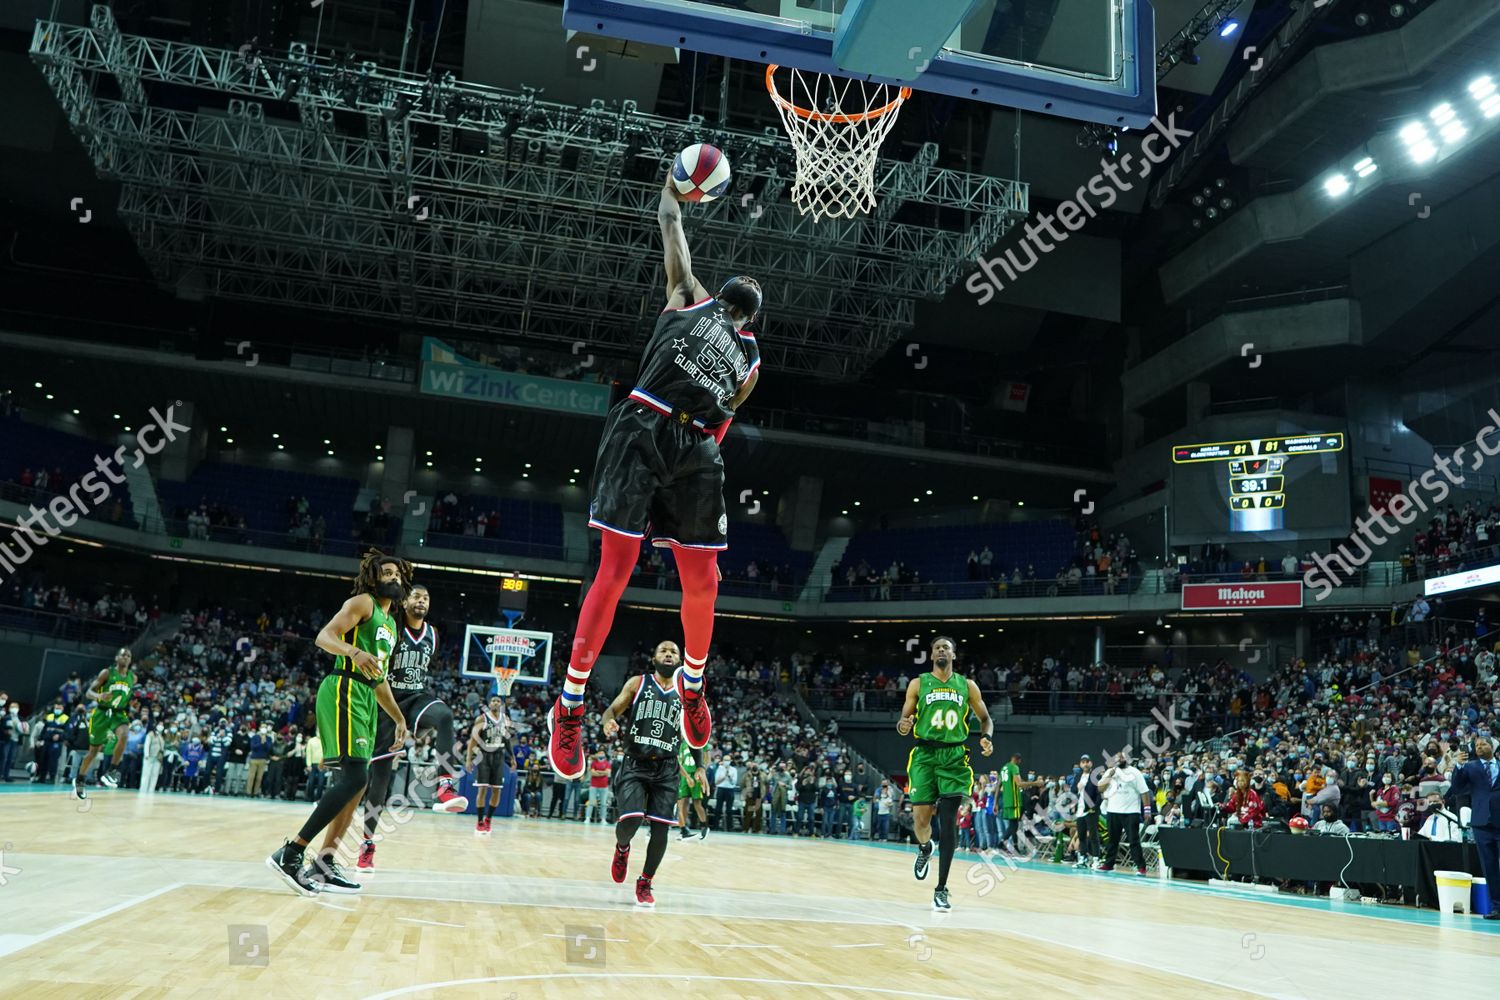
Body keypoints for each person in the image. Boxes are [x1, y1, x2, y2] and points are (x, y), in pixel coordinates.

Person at [546, 170, 764, 781]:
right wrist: (676, 181)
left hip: (696, 447)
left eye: (753, 286)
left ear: (753, 316)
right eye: (741, 278)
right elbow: (670, 220)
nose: (747, 280)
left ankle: (692, 686)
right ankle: (568, 709)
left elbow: (725, 420)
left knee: (705, 580)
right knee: (613, 572)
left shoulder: (750, 361)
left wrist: (703, 464)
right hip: (643, 423)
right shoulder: (689, 294)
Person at [265, 550, 411, 897]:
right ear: (375, 578)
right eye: (386, 573)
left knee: (357, 784)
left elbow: (379, 679)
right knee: (356, 776)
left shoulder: (391, 625)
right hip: (343, 687)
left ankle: (326, 862)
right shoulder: (363, 603)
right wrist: (353, 652)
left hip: (365, 696)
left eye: (397, 574)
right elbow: (324, 637)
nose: (393, 577)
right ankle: (292, 852)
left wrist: (399, 718)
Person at [357, 584, 467, 870]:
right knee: (379, 781)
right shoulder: (391, 628)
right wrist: (395, 717)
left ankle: (445, 786)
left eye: (426, 598)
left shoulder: (432, 634)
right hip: (386, 702)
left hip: (416, 698)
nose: (422, 601)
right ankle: (367, 842)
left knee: (444, 716)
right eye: (416, 596)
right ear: (404, 602)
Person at [896, 636, 995, 911]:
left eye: (946, 647)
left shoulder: (967, 685)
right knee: (921, 819)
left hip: (954, 756)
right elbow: (904, 718)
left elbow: (985, 718)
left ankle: (941, 889)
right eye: (937, 647)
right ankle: (925, 848)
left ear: (953, 655)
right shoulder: (918, 683)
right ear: (931, 655)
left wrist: (985, 737)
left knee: (949, 821)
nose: (941, 650)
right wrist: (904, 724)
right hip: (925, 755)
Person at [601, 640, 697, 907]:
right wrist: (608, 720)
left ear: (679, 661)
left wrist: (699, 766)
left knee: (661, 830)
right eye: (664, 650)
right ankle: (622, 848)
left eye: (674, 651)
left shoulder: (685, 693)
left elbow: (694, 733)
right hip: (635, 762)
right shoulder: (637, 683)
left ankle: (645, 881)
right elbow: (611, 709)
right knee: (630, 820)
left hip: (666, 768)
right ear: (654, 658)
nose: (669, 654)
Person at [1444, 737, 1500, 919]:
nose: (1479, 747)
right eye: (1476, 745)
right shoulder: (1469, 767)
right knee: (1489, 866)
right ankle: (1497, 907)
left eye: (1483, 744)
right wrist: (1458, 767)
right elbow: (1458, 789)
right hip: (1482, 823)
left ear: (1492, 747)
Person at [72, 648, 136, 800]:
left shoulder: (133, 678)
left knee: (125, 734)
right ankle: (80, 779)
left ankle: (112, 770)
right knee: (93, 752)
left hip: (118, 713)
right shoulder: (107, 673)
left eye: (128, 655)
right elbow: (88, 693)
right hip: (101, 713)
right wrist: (100, 695)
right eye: (123, 654)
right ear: (116, 657)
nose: (125, 657)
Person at [467, 694, 514, 837]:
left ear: (501, 704)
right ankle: (480, 821)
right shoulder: (481, 719)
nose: (495, 703)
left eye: (498, 701)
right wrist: (469, 759)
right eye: (493, 701)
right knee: (482, 790)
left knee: (497, 790)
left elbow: (507, 740)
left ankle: (488, 819)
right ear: (489, 704)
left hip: (499, 756)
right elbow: (473, 741)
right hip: (484, 755)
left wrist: (512, 757)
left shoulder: (505, 720)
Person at [1097, 752, 1151, 874]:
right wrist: (1109, 775)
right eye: (1117, 757)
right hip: (1113, 811)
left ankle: (1141, 867)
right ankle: (1108, 865)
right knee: (1112, 841)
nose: (1120, 759)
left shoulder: (1135, 772)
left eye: (1122, 757)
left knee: (1134, 841)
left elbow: (1144, 792)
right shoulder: (1110, 772)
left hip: (1131, 812)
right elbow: (1100, 788)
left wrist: (1147, 810)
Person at [676, 734, 710, 839]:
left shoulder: (702, 742)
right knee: (682, 802)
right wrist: (684, 776)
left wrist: (702, 771)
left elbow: (707, 760)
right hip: (685, 775)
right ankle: (683, 829)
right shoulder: (682, 745)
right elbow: (680, 761)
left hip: (696, 775)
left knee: (697, 802)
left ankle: (704, 826)